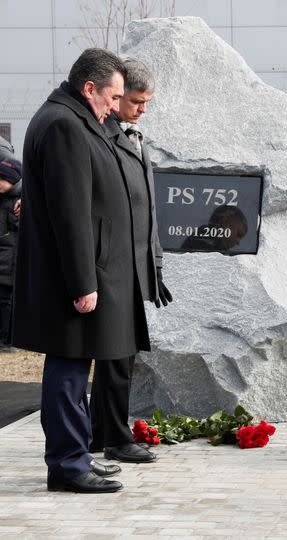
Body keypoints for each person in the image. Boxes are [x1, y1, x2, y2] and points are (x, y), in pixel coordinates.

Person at [13, 48, 144, 494]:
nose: (115, 105)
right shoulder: (66, 126)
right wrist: (83, 282)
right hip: (72, 278)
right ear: (90, 88)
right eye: (113, 96)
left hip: (79, 273)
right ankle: (68, 464)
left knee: (74, 368)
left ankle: (75, 457)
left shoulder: (74, 118)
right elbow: (71, 214)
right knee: (69, 371)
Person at [89, 57, 172, 464]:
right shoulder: (101, 136)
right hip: (111, 267)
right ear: (117, 95)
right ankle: (114, 437)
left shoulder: (133, 135)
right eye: (136, 101)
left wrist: (155, 263)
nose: (142, 109)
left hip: (134, 266)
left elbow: (148, 208)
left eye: (146, 102)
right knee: (115, 358)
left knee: (120, 356)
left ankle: (102, 431)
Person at [0, 158, 22, 348]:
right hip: (3, 259)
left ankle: (8, 339)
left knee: (7, 302)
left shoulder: (22, 202)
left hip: (11, 263)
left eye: (2, 179)